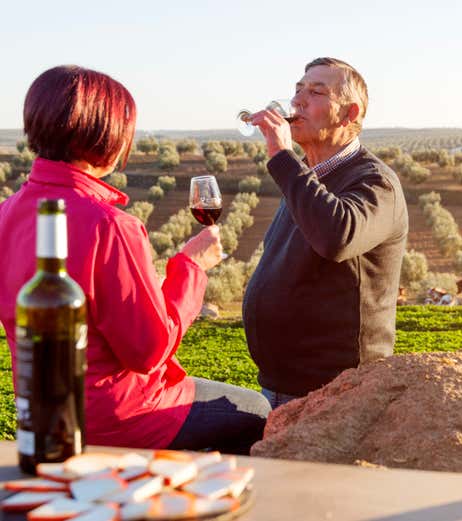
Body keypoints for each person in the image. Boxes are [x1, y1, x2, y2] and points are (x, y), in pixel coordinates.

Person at [0, 65, 270, 454]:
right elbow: (148, 352)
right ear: (105, 135)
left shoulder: (8, 213)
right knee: (255, 410)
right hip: (122, 419)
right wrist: (192, 267)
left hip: (45, 412)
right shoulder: (109, 225)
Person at [243, 57, 409, 409]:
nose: (298, 101)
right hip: (280, 386)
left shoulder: (375, 182)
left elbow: (338, 236)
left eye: (316, 92)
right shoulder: (306, 176)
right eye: (298, 90)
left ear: (350, 114)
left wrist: (281, 155)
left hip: (338, 393)